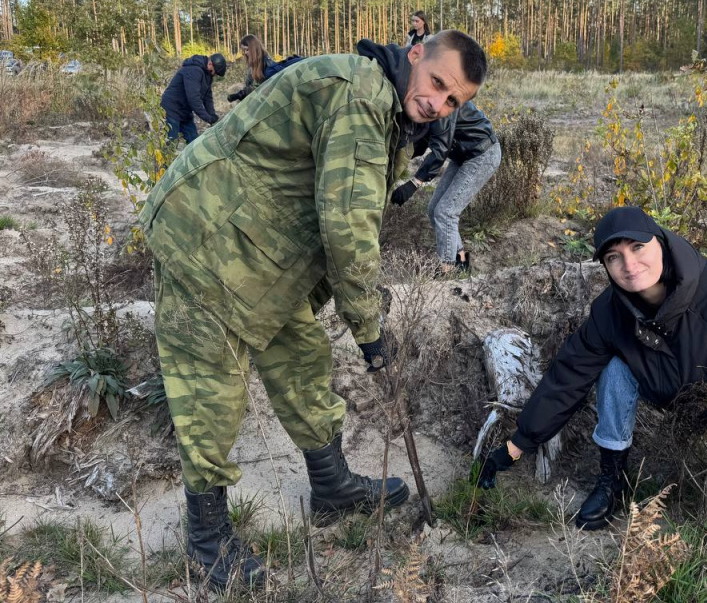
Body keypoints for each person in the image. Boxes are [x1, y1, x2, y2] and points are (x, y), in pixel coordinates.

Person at [139, 30, 487, 590]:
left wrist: (358, 306)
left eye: (453, 102)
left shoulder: (388, 106)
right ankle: (206, 541)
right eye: (438, 85)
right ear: (416, 55)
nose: (437, 103)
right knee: (212, 390)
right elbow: (347, 227)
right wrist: (370, 332)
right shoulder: (360, 94)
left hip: (258, 253)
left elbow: (345, 210)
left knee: (302, 357)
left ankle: (331, 486)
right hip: (205, 239)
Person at [476, 206, 707, 530]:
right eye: (613, 257)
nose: (629, 265)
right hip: (666, 393)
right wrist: (517, 445)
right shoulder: (609, 313)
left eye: (638, 247)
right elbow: (567, 378)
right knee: (614, 366)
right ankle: (613, 478)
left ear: (660, 242)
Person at [389, 99, 501, 274]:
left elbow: (440, 148)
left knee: (446, 212)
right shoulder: (423, 102)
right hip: (462, 156)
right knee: (434, 209)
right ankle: (461, 263)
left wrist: (414, 183)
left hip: (482, 154)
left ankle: (446, 270)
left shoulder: (441, 101)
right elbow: (422, 139)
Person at [160, 53, 226, 143]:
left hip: (185, 111)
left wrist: (212, 115)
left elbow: (207, 97)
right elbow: (193, 98)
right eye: (215, 72)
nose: (215, 75)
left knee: (194, 141)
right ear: (210, 64)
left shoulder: (207, 74)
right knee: (171, 143)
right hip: (172, 108)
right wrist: (207, 117)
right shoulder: (193, 70)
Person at [227, 34, 282, 103]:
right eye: (243, 50)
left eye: (247, 50)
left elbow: (262, 88)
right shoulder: (253, 64)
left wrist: (244, 93)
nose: (244, 53)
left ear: (254, 49)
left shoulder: (267, 64)